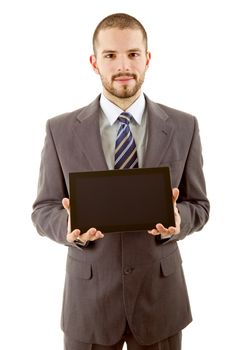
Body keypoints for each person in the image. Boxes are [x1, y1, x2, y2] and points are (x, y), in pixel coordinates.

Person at [32, 13, 210, 350]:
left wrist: (180, 220)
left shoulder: (185, 126)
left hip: (160, 301)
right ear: (94, 62)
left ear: (148, 59)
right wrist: (66, 225)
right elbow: (43, 209)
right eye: (110, 56)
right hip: (90, 304)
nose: (123, 65)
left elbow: (199, 205)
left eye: (133, 54)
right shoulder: (60, 130)